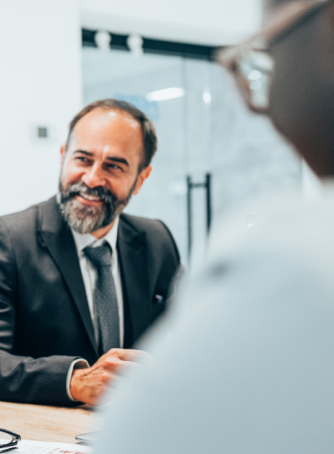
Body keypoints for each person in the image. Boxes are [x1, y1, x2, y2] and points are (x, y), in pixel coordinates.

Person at [94, 0, 334, 452]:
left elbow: (139, 438)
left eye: (267, 38)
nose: (250, 77)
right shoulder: (7, 238)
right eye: (83, 159)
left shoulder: (292, 255)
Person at [0, 99, 182, 406]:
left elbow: (183, 339)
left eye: (113, 166)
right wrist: (75, 381)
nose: (92, 179)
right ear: (62, 156)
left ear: (141, 178)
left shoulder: (156, 239)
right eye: (83, 159)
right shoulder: (5, 240)